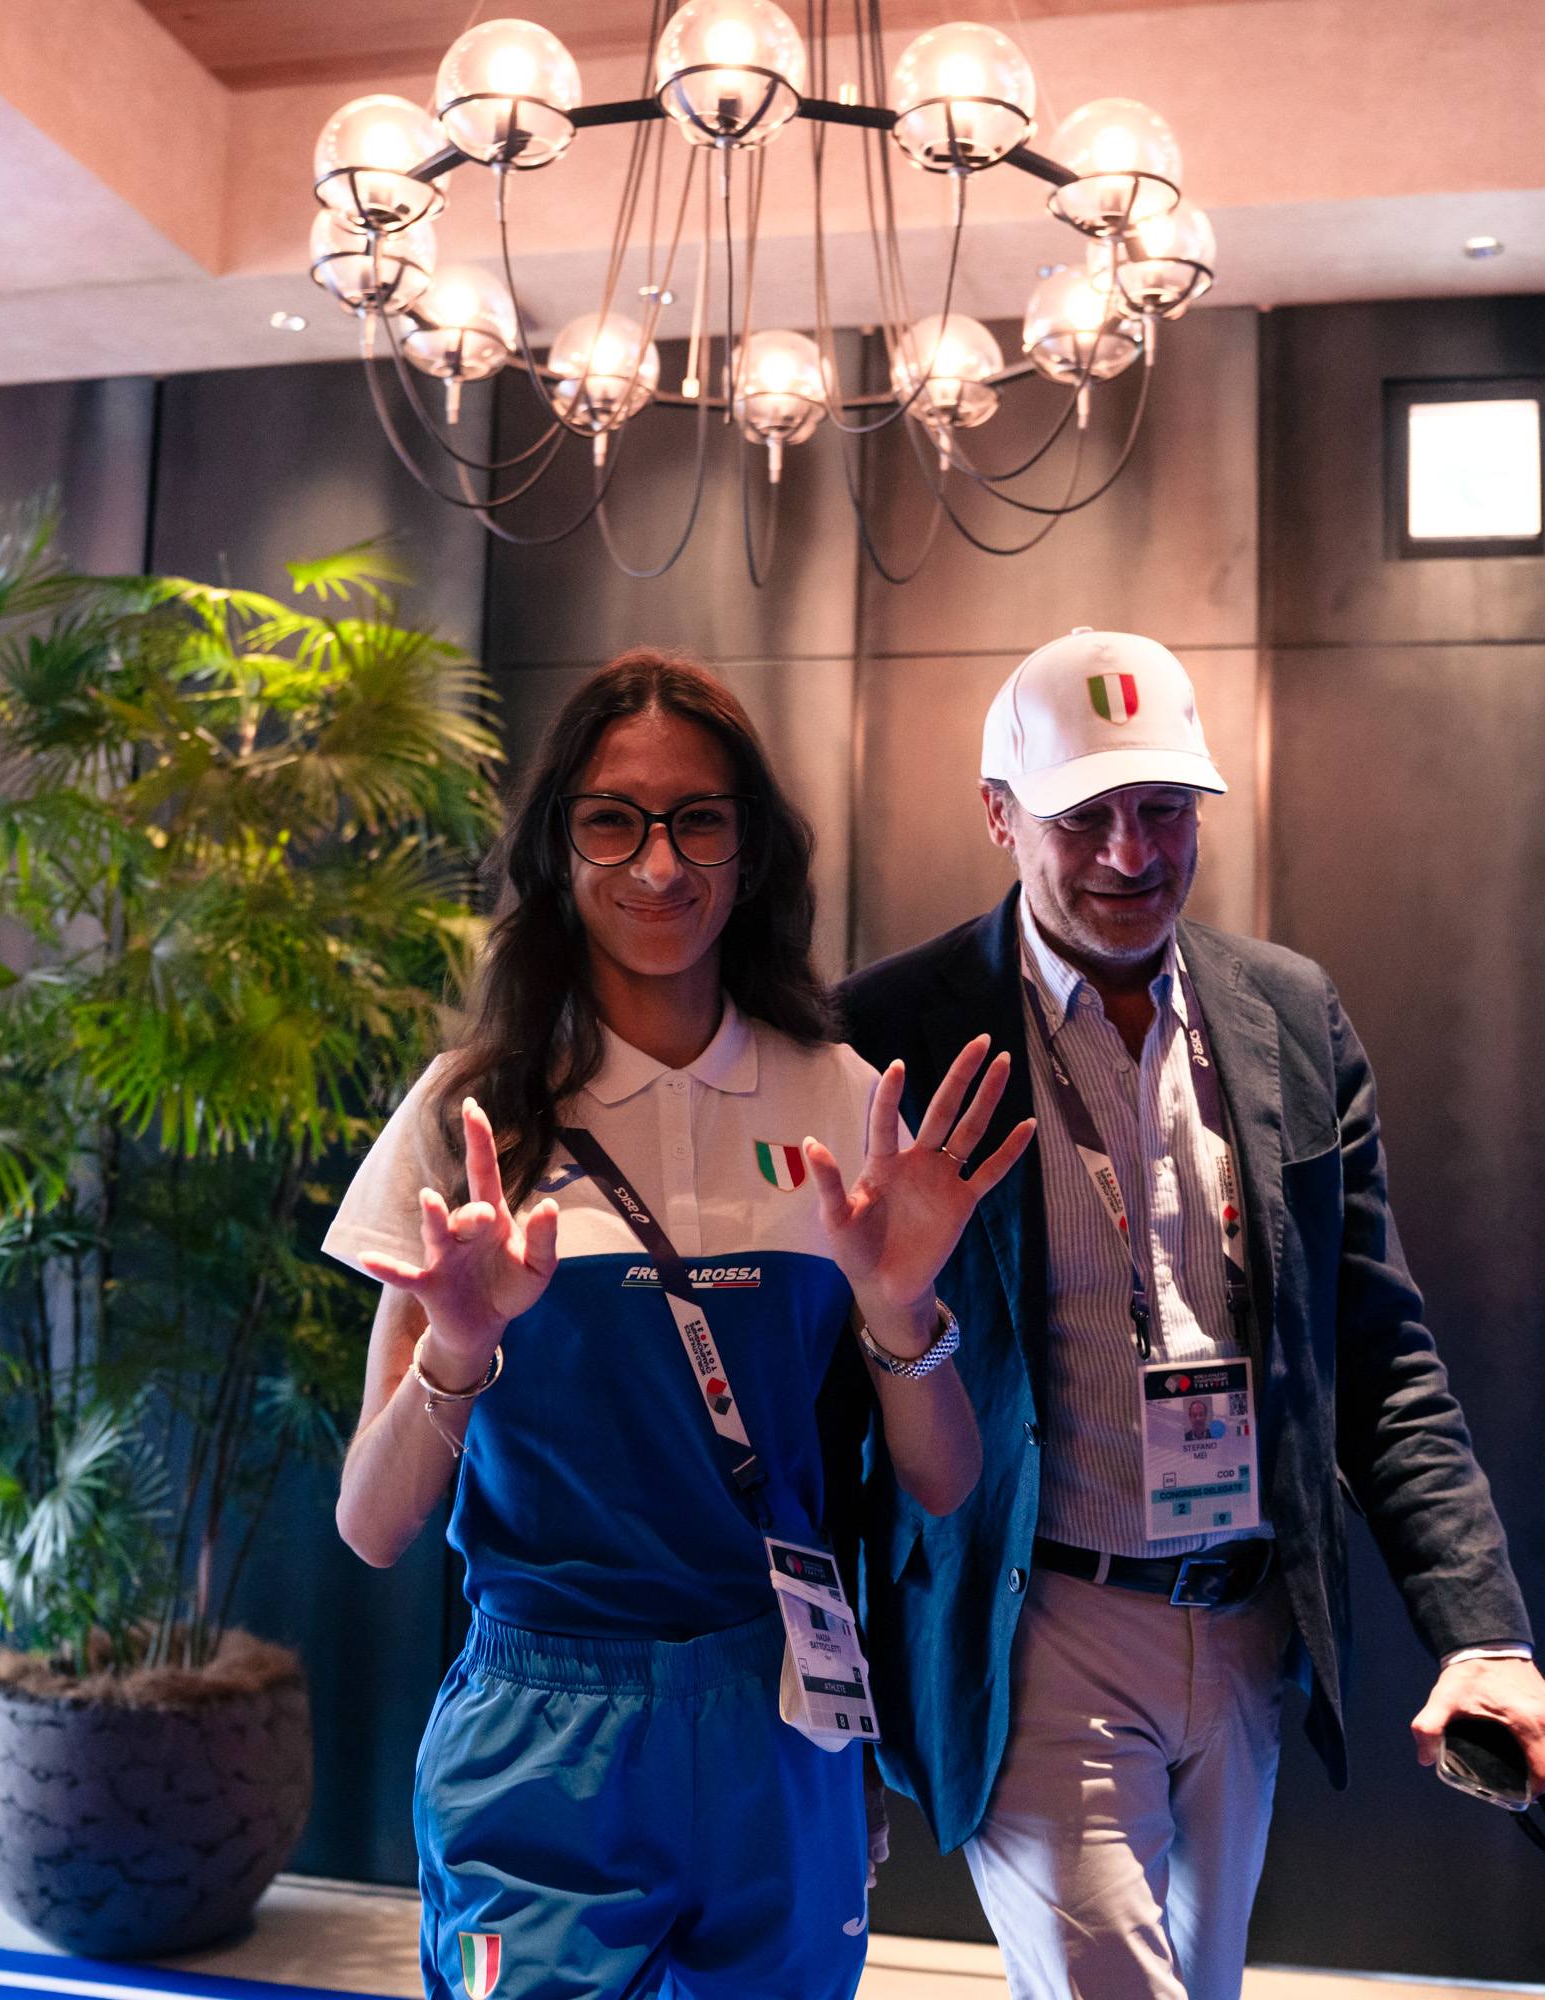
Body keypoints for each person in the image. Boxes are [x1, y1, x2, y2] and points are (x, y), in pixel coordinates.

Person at [833, 629, 1545, 2000]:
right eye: (1085, 816)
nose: (1132, 853)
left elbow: (1380, 1361)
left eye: (1165, 808)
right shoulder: (892, 1032)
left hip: (1247, 1624)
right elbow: (829, 1411)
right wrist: (832, 1712)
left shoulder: (1289, 1012)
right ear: (999, 814)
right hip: (1032, 1620)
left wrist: (1483, 1635)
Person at [326, 649, 1032, 2000]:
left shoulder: (839, 1099)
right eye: (613, 820)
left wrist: (899, 1308)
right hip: (542, 1719)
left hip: (781, 1708)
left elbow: (946, 1482)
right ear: (558, 847)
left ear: (750, 849)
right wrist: (456, 1353)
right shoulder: (472, 1118)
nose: (658, 864)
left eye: (699, 819)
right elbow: (370, 1525)